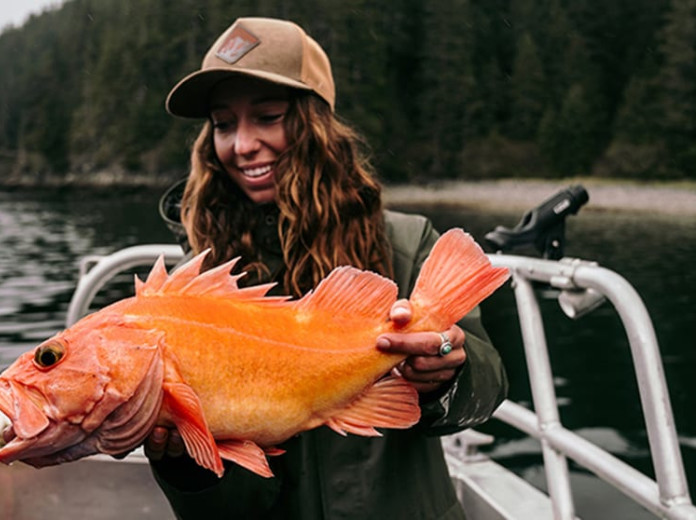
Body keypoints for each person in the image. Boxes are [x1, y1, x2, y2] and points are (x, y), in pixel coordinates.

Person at [149, 16, 508, 519]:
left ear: (316, 124)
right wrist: (185, 466)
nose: (242, 144)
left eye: (268, 116)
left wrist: (447, 375)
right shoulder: (198, 287)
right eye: (223, 124)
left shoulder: (404, 244)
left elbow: (487, 389)